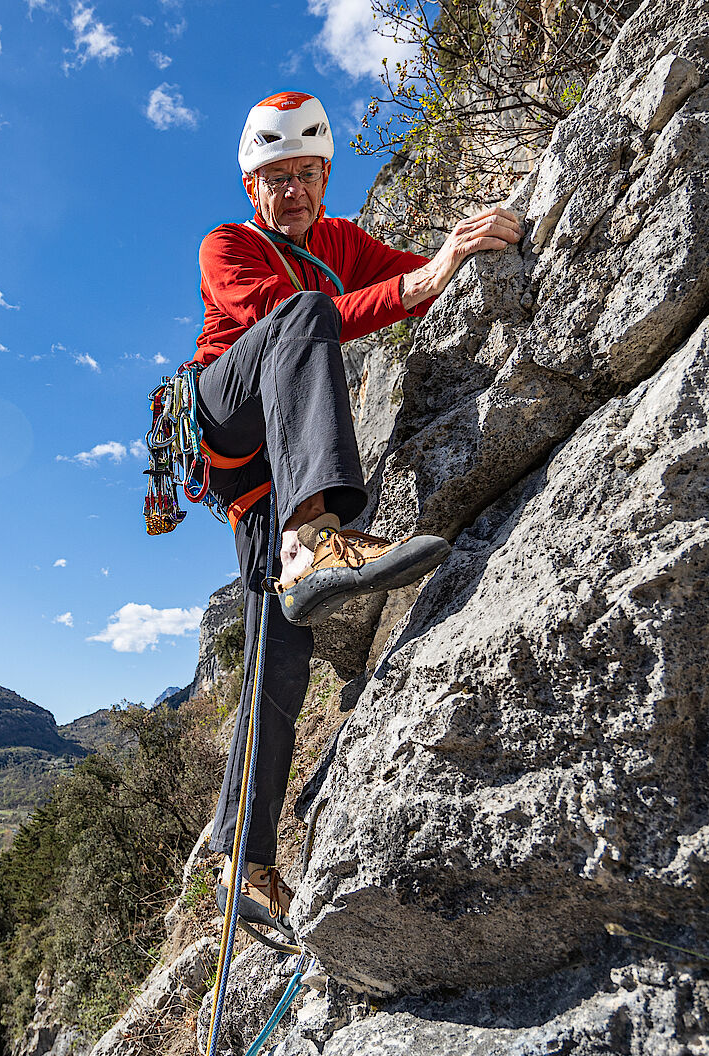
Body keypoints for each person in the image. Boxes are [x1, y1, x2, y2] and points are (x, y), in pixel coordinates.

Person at [195, 91, 521, 938]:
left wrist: (469, 248)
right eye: (276, 177)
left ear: (327, 178)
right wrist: (423, 276)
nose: (293, 191)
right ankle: (316, 542)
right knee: (303, 311)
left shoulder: (340, 244)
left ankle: (243, 853)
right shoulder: (228, 246)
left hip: (279, 481)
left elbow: (412, 278)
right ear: (251, 186)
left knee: (281, 659)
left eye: (307, 175)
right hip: (229, 419)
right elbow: (302, 323)